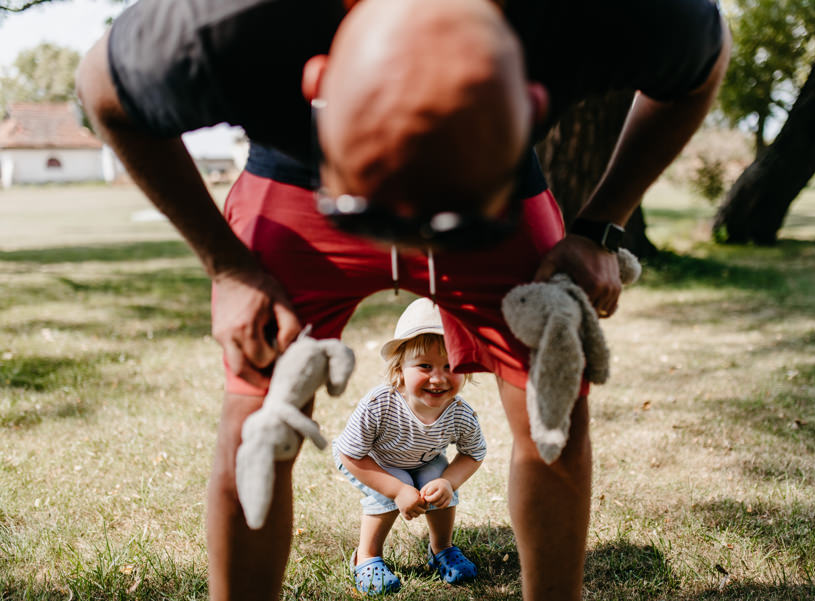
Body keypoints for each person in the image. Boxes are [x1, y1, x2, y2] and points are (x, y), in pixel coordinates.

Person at [75, 0, 730, 599]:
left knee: (555, 407)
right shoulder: (230, 23)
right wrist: (227, 265)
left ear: (534, 100)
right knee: (256, 423)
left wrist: (597, 227)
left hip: (490, 181)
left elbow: (705, 67)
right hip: (302, 188)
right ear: (317, 81)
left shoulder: (598, 15)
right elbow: (103, 91)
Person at [333, 297, 485, 595]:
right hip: (370, 460)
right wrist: (398, 490)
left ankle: (441, 549)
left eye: (450, 365)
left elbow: (473, 453)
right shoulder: (381, 404)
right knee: (395, 486)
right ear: (400, 368)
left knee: (438, 484)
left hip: (423, 459)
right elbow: (349, 454)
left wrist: (448, 481)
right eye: (425, 366)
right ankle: (366, 557)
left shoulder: (459, 412)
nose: (438, 378)